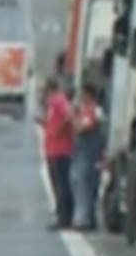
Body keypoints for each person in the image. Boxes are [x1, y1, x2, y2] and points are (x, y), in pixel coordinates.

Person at [38, 76, 75, 231]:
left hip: (60, 150)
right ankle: (62, 215)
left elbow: (69, 117)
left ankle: (65, 217)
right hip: (53, 149)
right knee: (58, 184)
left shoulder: (59, 101)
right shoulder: (52, 105)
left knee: (61, 185)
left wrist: (59, 130)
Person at [73, 82, 106, 232]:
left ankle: (83, 219)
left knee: (85, 185)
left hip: (89, 153)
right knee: (86, 185)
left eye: (83, 94)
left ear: (89, 95)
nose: (80, 97)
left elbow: (84, 127)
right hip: (86, 153)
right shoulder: (85, 110)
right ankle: (89, 218)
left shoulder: (94, 110)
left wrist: (75, 124)